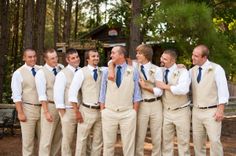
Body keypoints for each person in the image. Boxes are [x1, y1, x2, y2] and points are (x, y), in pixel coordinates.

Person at [99, 46, 142, 156]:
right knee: (108, 144)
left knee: (128, 144)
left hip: (128, 113)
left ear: (121, 55)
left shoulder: (133, 71)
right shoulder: (106, 71)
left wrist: (134, 112)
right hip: (109, 112)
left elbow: (137, 93)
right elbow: (102, 92)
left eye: (113, 53)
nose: (111, 55)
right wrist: (102, 111)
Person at [190, 44, 229, 156]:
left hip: (212, 111)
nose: (193, 57)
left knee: (215, 141)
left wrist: (220, 110)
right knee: (198, 143)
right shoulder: (191, 71)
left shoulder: (217, 69)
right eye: (193, 54)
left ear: (204, 57)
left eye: (196, 56)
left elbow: (223, 90)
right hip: (196, 111)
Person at [156, 49, 191, 156]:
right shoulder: (159, 70)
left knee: (183, 142)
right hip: (166, 111)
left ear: (173, 61)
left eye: (165, 59)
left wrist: (165, 86)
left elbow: (183, 89)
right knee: (166, 142)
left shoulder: (183, 71)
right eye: (162, 57)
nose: (162, 60)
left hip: (181, 111)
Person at [68, 49, 103, 156]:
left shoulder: (103, 71)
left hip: (100, 112)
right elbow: (72, 94)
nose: (96, 58)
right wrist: (77, 112)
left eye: (97, 56)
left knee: (98, 141)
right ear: (87, 59)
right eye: (93, 56)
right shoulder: (81, 72)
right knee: (82, 140)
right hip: (86, 111)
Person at [11, 48, 41, 156]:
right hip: (28, 109)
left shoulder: (41, 69)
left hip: (43, 109)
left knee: (44, 142)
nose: (33, 59)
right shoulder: (18, 73)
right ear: (24, 58)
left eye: (34, 56)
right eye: (30, 57)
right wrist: (20, 113)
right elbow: (16, 96)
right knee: (28, 143)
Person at [135, 44, 163, 156]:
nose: (137, 55)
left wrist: (146, 87)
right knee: (140, 135)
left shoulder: (157, 70)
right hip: (141, 105)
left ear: (146, 55)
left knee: (156, 134)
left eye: (139, 53)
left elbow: (160, 91)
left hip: (156, 104)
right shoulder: (133, 68)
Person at [35, 48, 63, 156]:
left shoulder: (61, 68)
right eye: (52, 58)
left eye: (56, 57)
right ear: (46, 59)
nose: (55, 60)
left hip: (61, 108)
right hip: (50, 107)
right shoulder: (41, 73)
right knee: (46, 140)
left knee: (58, 138)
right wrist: (46, 112)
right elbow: (42, 94)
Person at [54, 48, 80, 156]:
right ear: (67, 60)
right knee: (67, 140)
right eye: (73, 58)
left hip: (82, 110)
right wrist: (63, 114)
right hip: (68, 112)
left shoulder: (82, 71)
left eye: (77, 57)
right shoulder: (62, 74)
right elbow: (58, 95)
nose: (76, 60)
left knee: (82, 139)